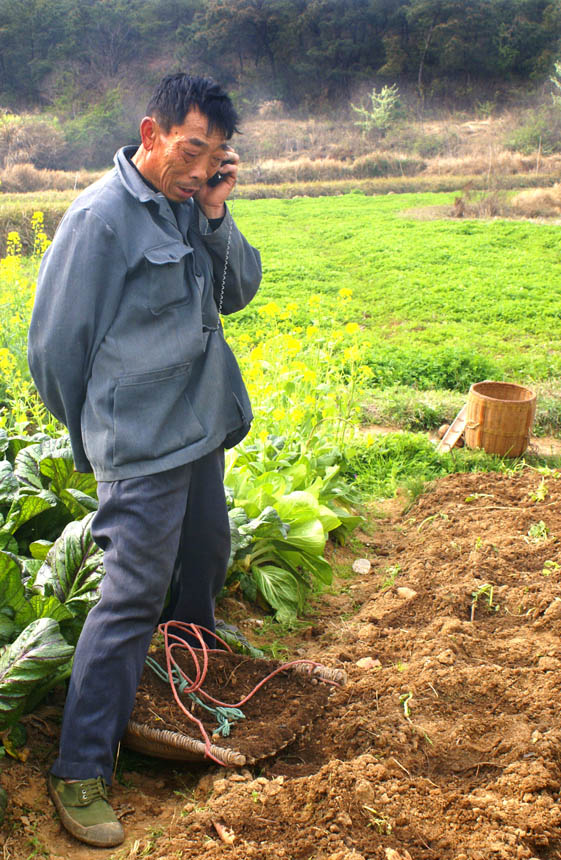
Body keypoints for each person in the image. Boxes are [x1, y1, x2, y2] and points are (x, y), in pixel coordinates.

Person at [27, 73, 261, 848]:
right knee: (129, 598)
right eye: (192, 150)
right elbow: (55, 353)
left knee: (203, 560)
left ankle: (182, 682)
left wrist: (216, 210)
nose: (200, 168)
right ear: (152, 131)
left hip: (196, 433)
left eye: (216, 156)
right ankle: (81, 768)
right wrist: (97, 441)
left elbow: (235, 293)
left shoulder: (190, 204)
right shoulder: (99, 219)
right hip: (140, 445)